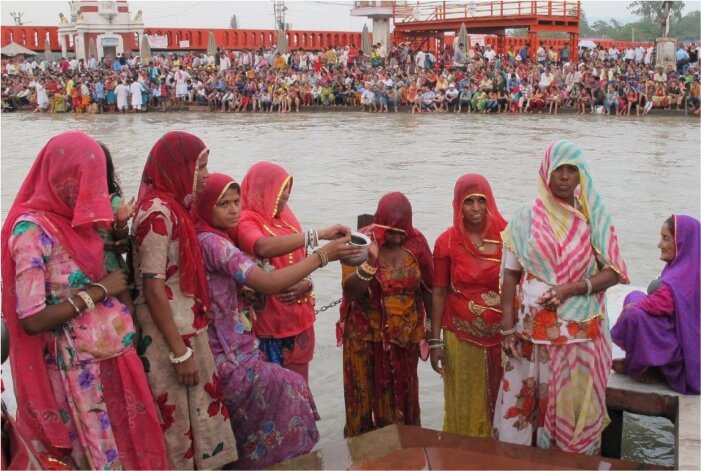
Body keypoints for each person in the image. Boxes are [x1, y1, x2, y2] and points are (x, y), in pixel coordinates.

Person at [1, 131, 168, 469]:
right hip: (76, 370)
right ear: (63, 178)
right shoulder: (31, 232)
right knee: (98, 454)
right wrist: (99, 291)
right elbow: (31, 319)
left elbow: (111, 254)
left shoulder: (78, 221)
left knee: (133, 445)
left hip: (113, 354)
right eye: (88, 181)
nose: (94, 192)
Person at [195, 173, 362, 468]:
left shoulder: (247, 229)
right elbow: (265, 270)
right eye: (224, 203)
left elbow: (260, 278)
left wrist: (304, 282)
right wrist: (323, 253)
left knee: (288, 399)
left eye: (236, 201)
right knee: (289, 395)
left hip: (276, 328)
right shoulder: (219, 240)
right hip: (242, 345)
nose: (234, 209)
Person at [494, 140, 629, 454]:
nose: (566, 177)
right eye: (559, 170)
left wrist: (570, 289)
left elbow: (613, 272)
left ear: (582, 175)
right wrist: (507, 327)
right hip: (528, 338)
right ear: (546, 173)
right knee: (524, 407)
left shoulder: (593, 216)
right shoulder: (525, 217)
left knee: (570, 414)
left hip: (577, 339)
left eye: (573, 170)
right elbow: (510, 276)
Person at [131, 131, 237, 469]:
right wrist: (179, 353)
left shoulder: (175, 208)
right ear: (179, 167)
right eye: (200, 167)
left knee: (202, 427)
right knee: (179, 434)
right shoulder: (157, 214)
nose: (205, 176)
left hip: (189, 330)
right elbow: (152, 287)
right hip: (170, 339)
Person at [236, 162, 349, 382]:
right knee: (273, 397)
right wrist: (321, 236)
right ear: (263, 192)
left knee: (300, 393)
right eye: (279, 196)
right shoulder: (246, 219)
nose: (283, 202)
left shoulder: (285, 216)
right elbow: (262, 247)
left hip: (300, 323)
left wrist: (307, 284)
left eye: (286, 197)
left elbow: (299, 260)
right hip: (269, 327)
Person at [338, 192, 433, 437]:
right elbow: (351, 289)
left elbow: (430, 290)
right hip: (364, 340)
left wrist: (434, 335)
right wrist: (371, 262)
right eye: (390, 231)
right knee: (362, 407)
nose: (396, 237)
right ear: (379, 223)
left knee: (404, 406)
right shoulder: (361, 242)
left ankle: (406, 461)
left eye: (402, 232)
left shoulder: (417, 245)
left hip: (404, 341)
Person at [430, 174, 507, 438]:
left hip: (502, 341)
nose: (475, 208)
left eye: (481, 201)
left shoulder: (507, 238)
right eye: (468, 201)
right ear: (458, 205)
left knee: (503, 405)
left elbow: (517, 286)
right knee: (462, 404)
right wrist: (435, 341)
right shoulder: (447, 242)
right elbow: (439, 292)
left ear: (490, 202)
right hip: (460, 339)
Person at [611, 215, 699, 395]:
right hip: (674, 331)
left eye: (666, 238)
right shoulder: (684, 266)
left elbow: (661, 304)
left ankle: (651, 366)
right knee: (634, 296)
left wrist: (631, 309)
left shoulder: (682, 276)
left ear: (682, 242)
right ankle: (641, 360)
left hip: (683, 344)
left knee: (634, 314)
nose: (660, 244)